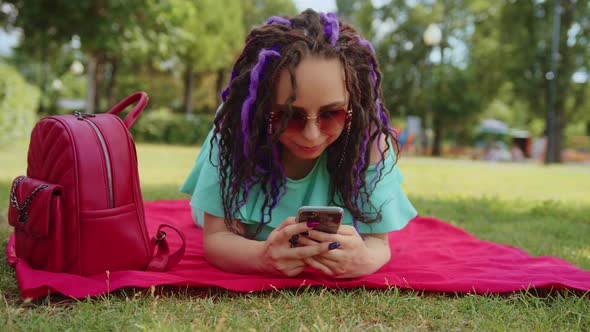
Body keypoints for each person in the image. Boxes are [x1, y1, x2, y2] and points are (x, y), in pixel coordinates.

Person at [180, 9, 417, 278]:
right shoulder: (237, 133)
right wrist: (261, 258)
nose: (311, 135)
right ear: (260, 110)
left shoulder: (371, 145)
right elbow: (218, 237)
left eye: (331, 114)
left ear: (354, 107)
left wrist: (364, 260)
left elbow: (378, 243)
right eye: (289, 115)